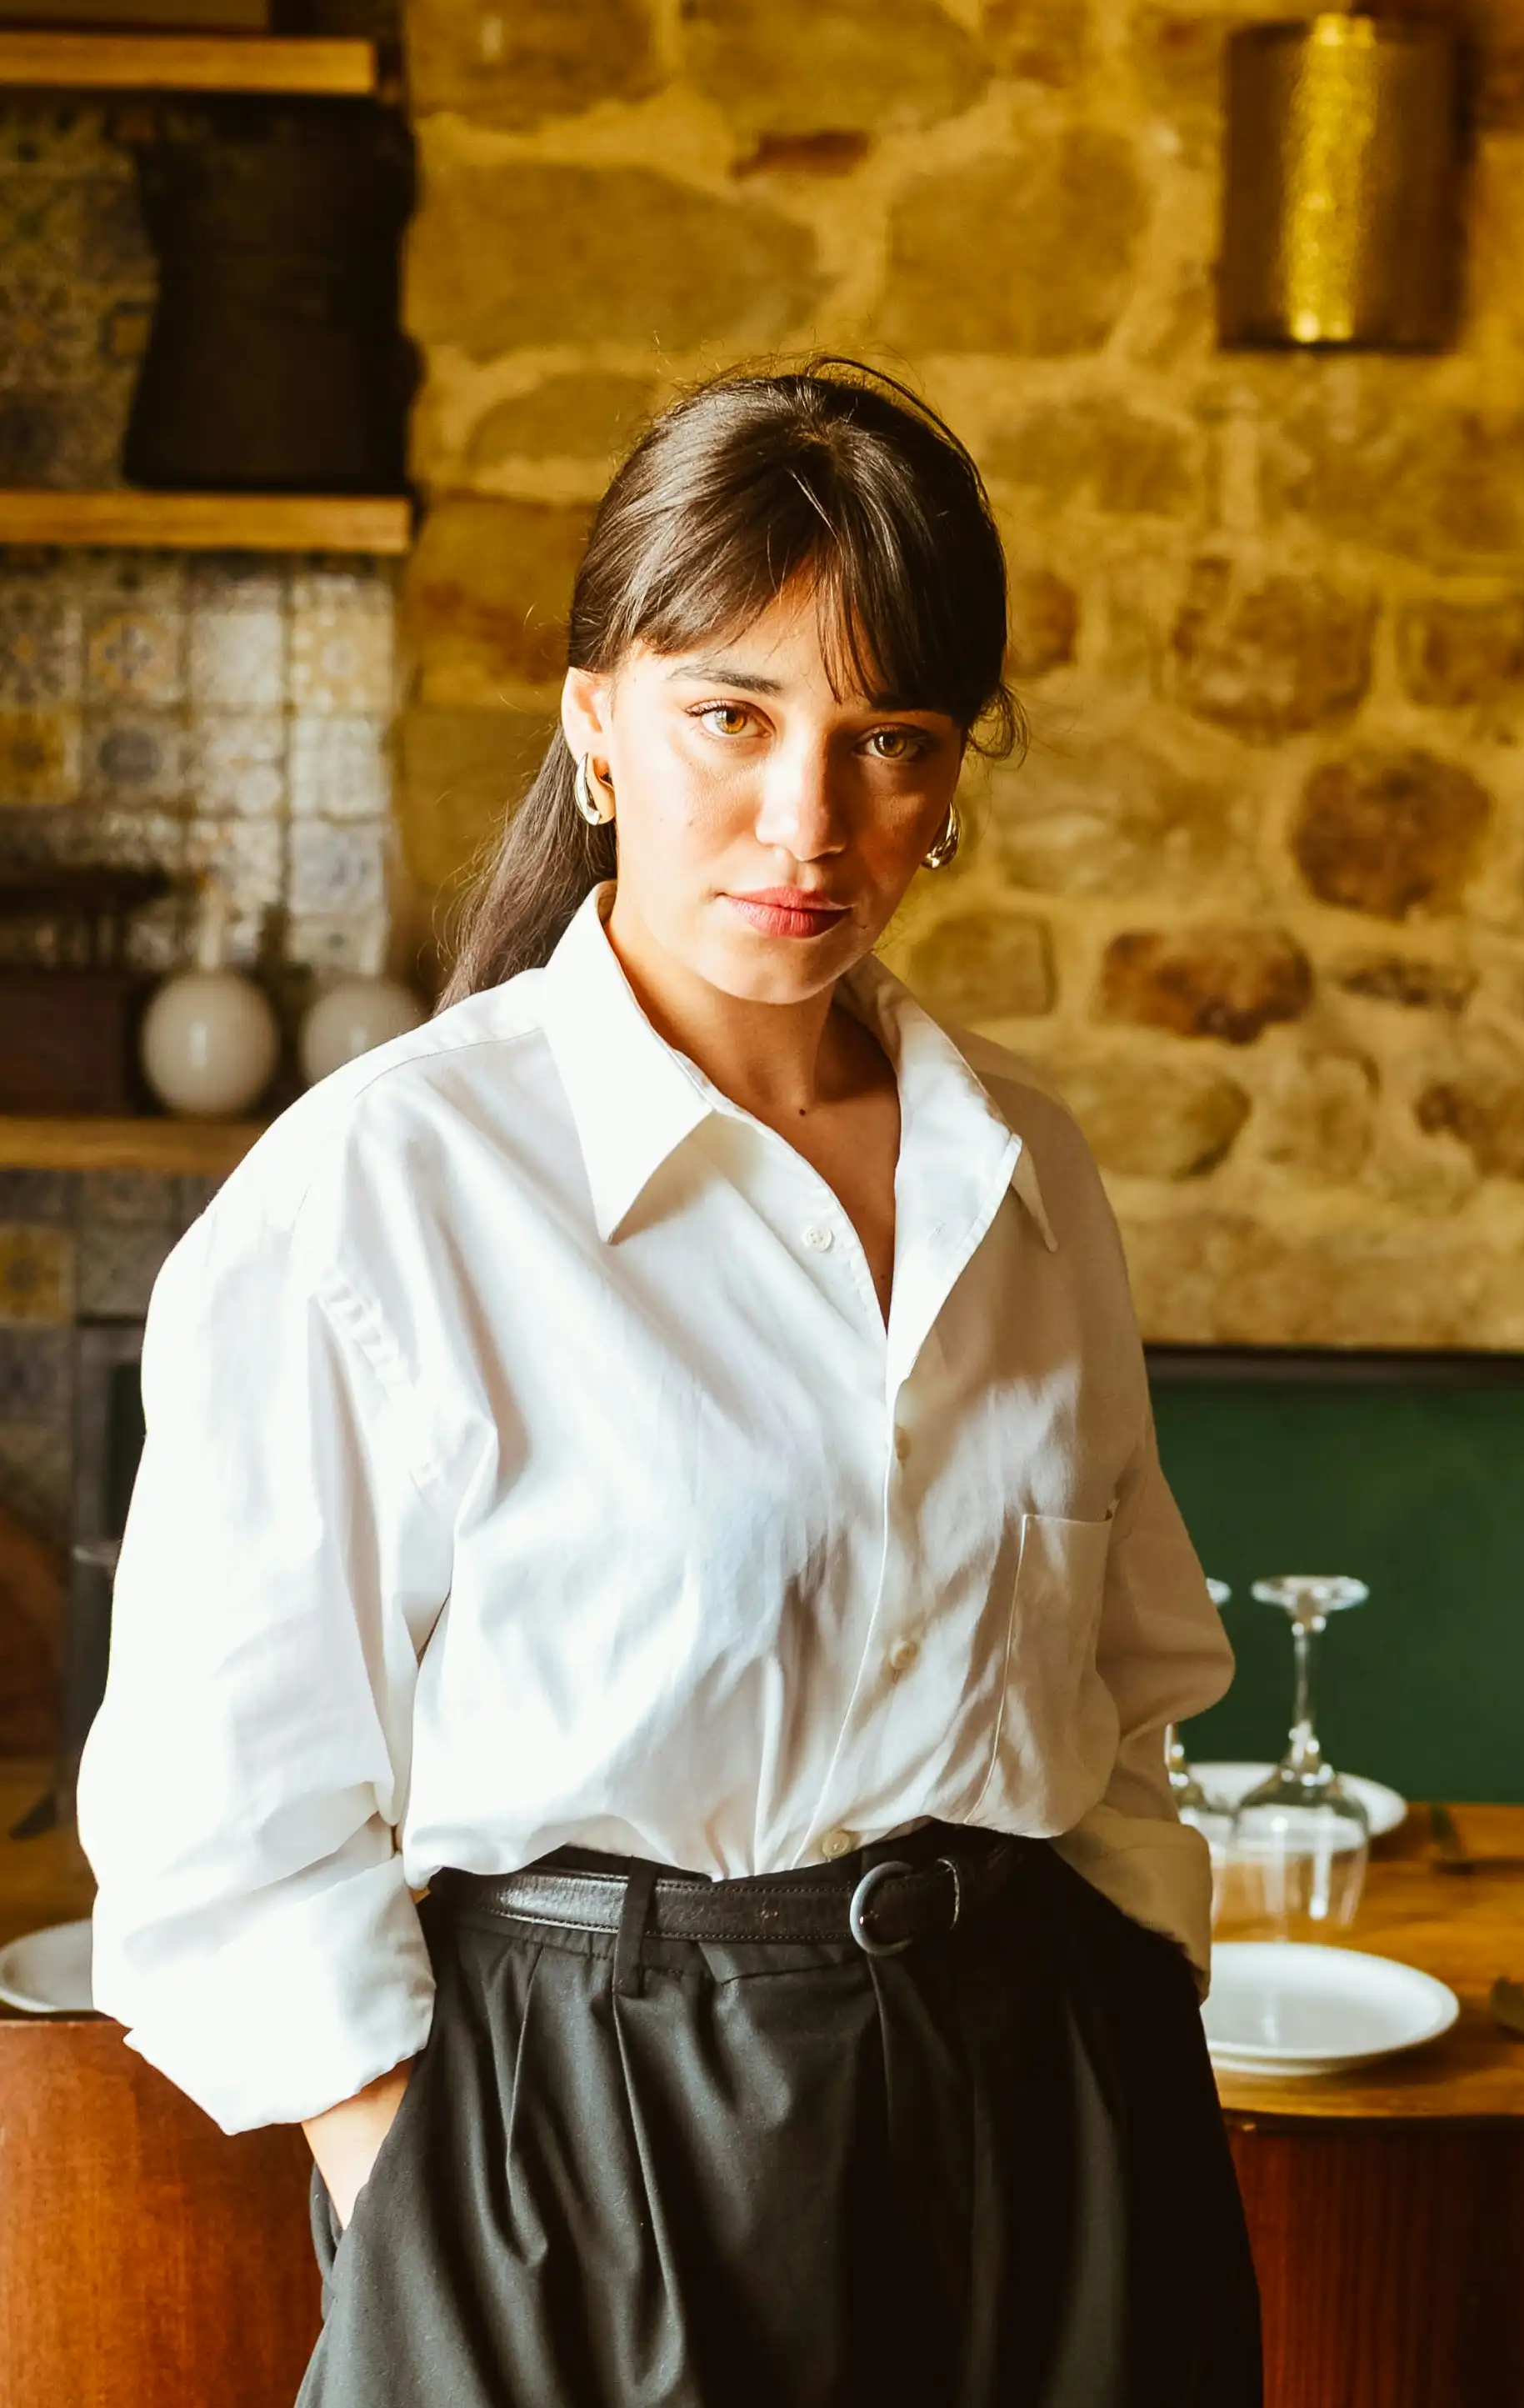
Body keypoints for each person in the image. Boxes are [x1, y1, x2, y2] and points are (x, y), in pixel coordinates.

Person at [77, 358, 1262, 2407]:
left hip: (1049, 2132)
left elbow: (1129, 1692)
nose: (808, 821)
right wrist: (443, 2210)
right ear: (594, 724)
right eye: (732, 713)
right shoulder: (384, 1193)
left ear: (953, 776)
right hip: (583, 2158)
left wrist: (1128, 2011)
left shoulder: (1029, 1174)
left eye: (888, 740)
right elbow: (219, 1829)